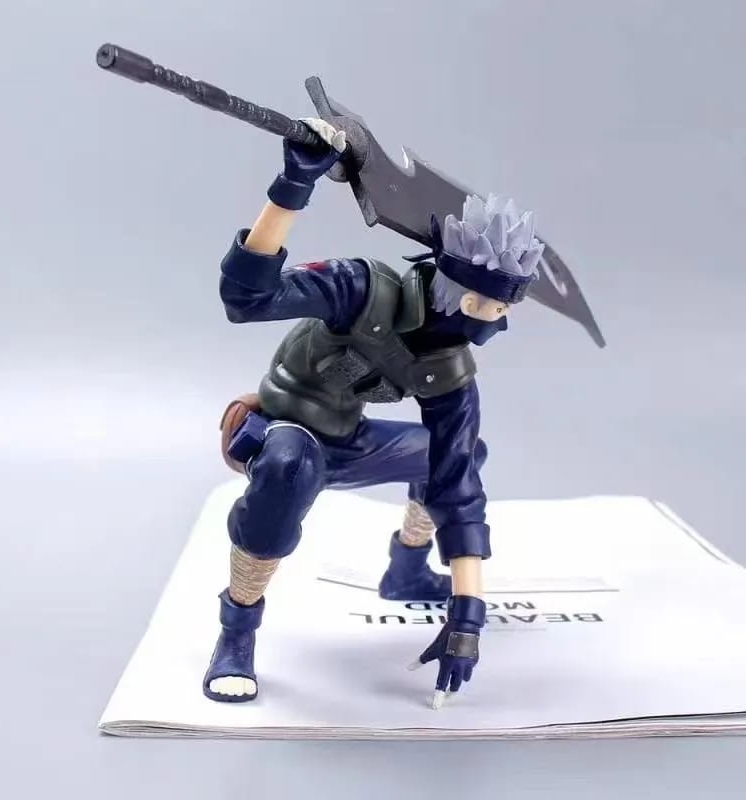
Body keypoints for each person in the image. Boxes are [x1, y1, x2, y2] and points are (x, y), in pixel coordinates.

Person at [204, 118, 542, 708]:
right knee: (289, 466)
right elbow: (247, 299)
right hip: (283, 436)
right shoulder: (362, 289)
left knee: (461, 453)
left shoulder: (448, 367)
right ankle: (236, 632)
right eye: (494, 308)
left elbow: (457, 482)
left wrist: (467, 614)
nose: (501, 323)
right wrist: (293, 183)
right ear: (465, 298)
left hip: (350, 440)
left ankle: (406, 570)